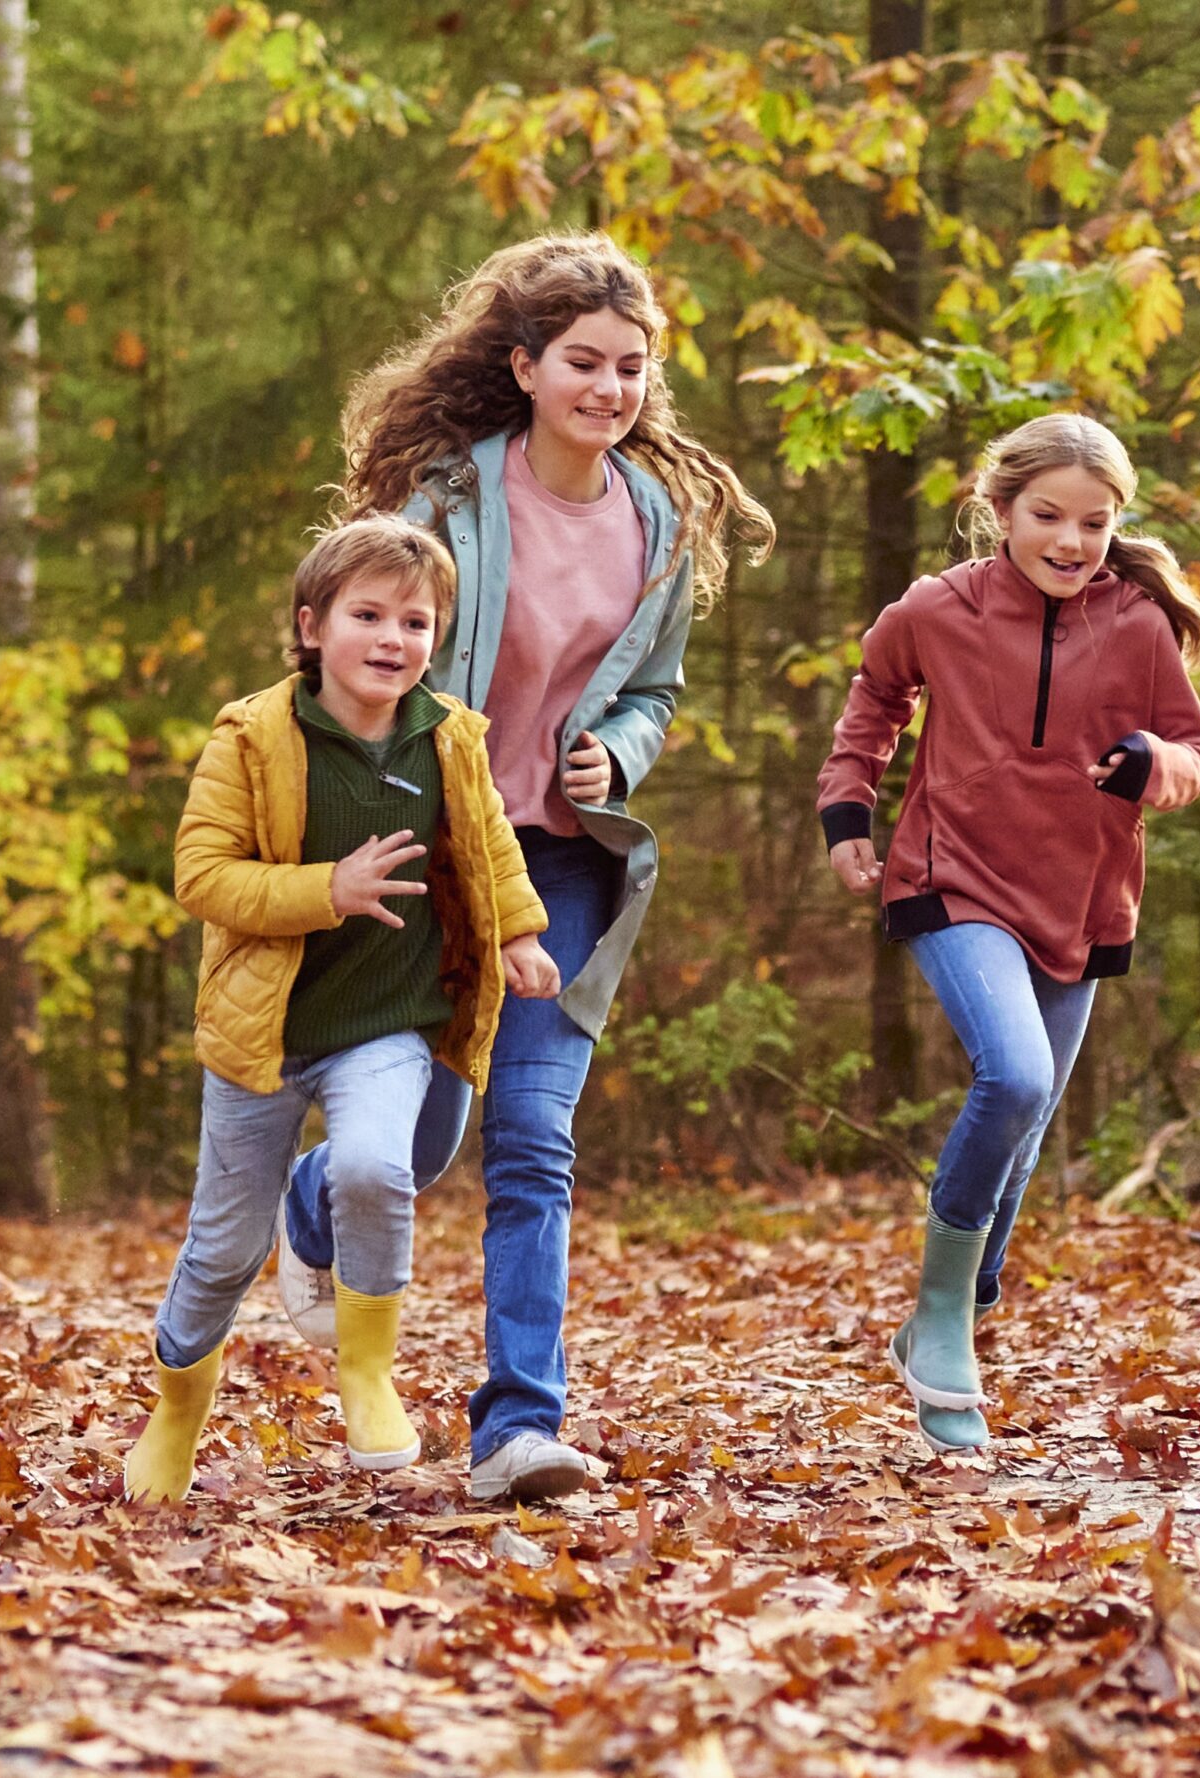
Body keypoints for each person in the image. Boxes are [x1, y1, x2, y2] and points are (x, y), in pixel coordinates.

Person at [273, 233, 774, 1502]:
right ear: (526, 367)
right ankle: (315, 1205)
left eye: (631, 367)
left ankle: (517, 1423)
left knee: (531, 1136)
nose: (609, 388)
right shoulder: (451, 498)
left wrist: (617, 746)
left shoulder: (659, 517)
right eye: (582, 363)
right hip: (436, 851)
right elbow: (378, 650)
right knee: (423, 1131)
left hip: (566, 859)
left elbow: (653, 687)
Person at [125, 516, 559, 1503]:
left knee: (374, 1165)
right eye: (368, 614)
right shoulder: (253, 736)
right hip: (263, 1033)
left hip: (388, 1019)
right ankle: (176, 1407)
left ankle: (365, 1369)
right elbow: (201, 873)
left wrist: (520, 933)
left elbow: (488, 847)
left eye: (415, 621)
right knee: (223, 1249)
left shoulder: (447, 738)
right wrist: (328, 887)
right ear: (312, 625)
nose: (392, 638)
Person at [816, 412, 1200, 1450]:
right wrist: (846, 812)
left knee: (1026, 1121)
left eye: (1096, 521)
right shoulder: (935, 609)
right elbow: (873, 701)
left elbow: (1194, 746)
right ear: (998, 511)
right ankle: (944, 1310)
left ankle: (964, 1292)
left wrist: (1151, 764)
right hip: (950, 876)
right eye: (1048, 516)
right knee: (1018, 1076)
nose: (1072, 542)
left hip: (1081, 898)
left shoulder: (1135, 624)